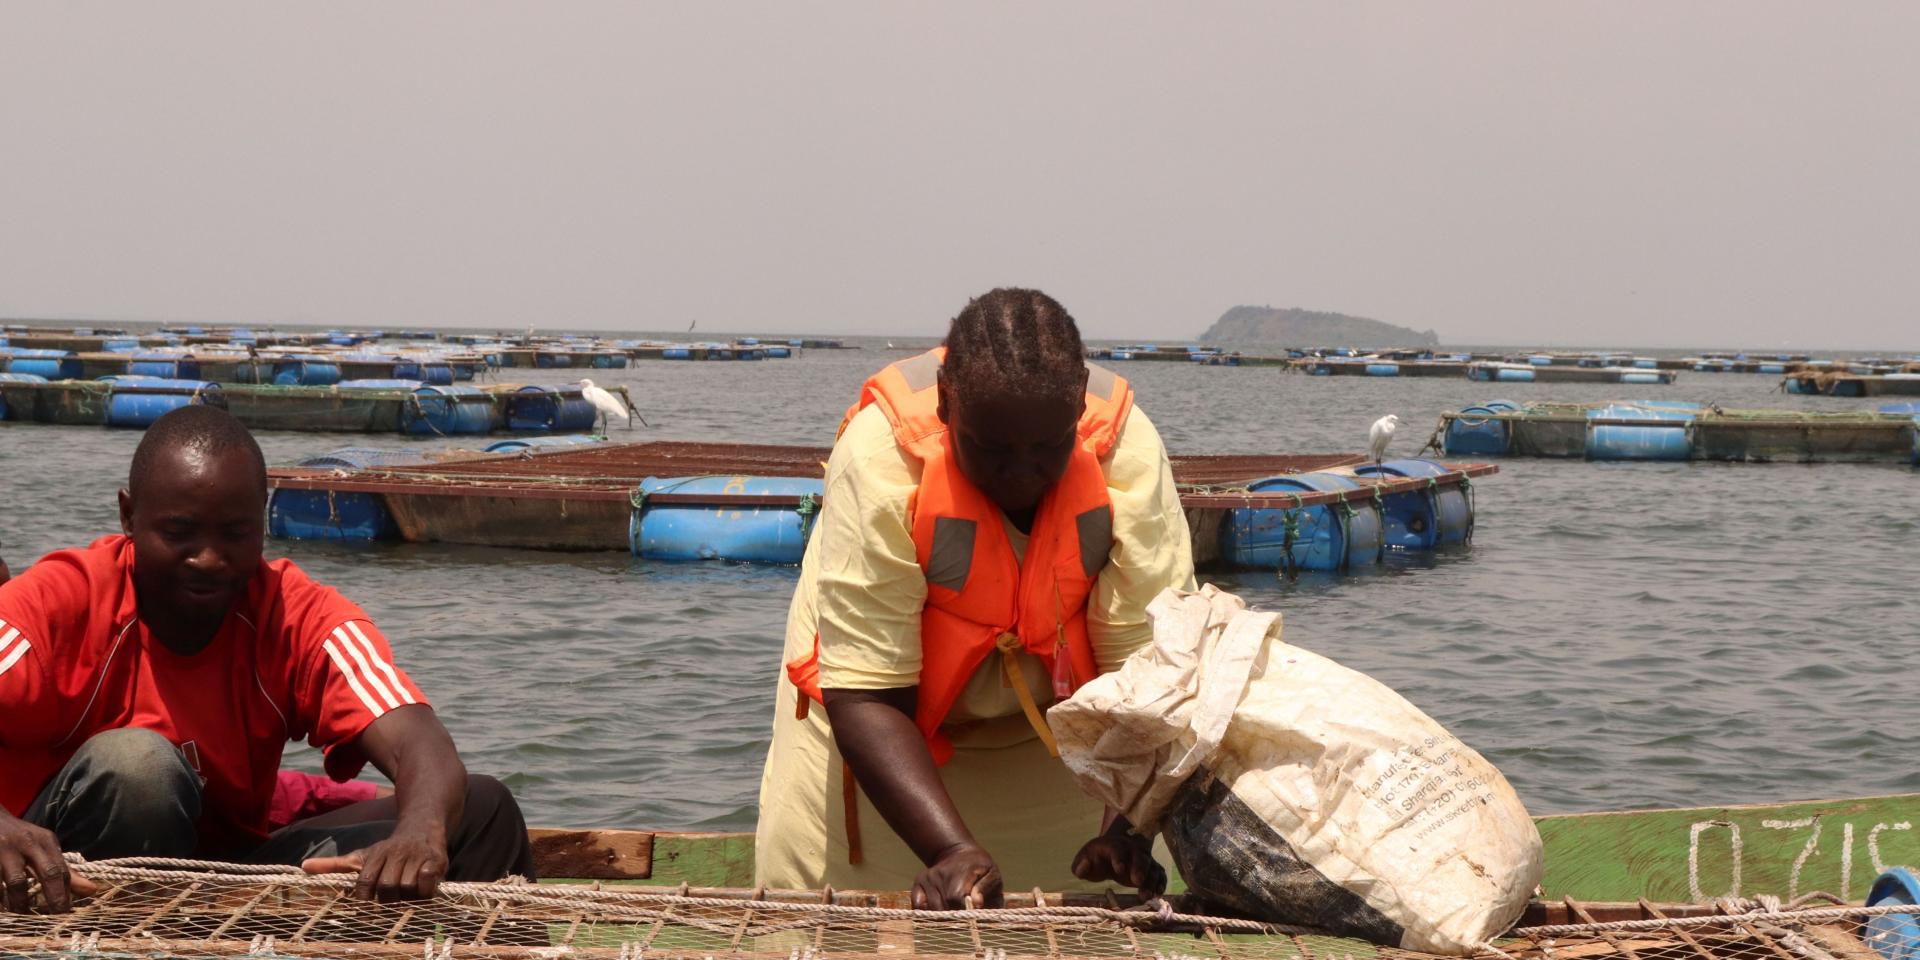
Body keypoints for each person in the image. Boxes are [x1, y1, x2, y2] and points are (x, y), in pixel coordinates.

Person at [755, 288, 1196, 907]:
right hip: (879, 742)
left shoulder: (1130, 459)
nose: (1021, 474)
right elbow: (865, 688)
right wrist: (949, 851)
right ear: (944, 402)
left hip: (1057, 750)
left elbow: (1151, 675)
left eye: (1047, 448)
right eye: (991, 449)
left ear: (1076, 410)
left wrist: (1127, 824)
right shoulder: (881, 463)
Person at [0, 406, 536, 914]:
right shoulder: (56, 603)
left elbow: (416, 736)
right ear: (128, 515)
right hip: (54, 862)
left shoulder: (295, 614)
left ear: (262, 522)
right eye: (179, 533)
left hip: (225, 866)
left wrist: (420, 834)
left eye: (235, 534)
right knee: (139, 767)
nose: (209, 559)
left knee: (481, 805)